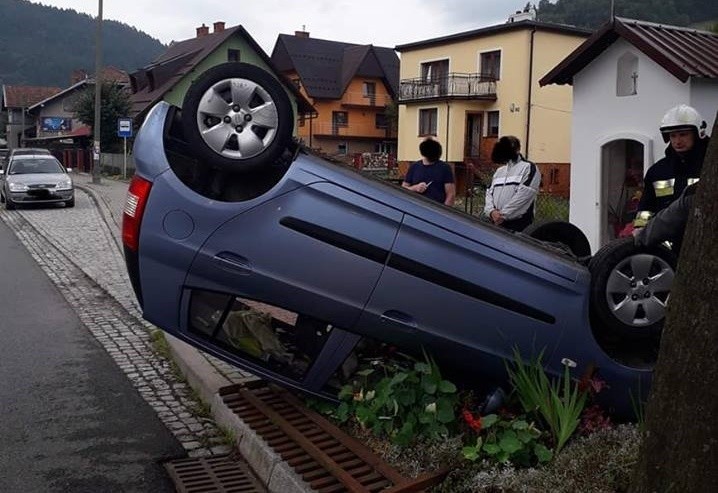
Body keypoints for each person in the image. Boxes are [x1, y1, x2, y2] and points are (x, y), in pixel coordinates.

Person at [633, 104, 709, 228]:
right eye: (673, 136)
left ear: (698, 133)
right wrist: (639, 229)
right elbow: (646, 207)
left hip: (701, 239)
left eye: (683, 134)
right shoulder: (657, 171)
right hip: (665, 243)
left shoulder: (710, 168)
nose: (677, 141)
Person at [483, 135, 541, 232]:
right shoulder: (499, 171)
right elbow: (489, 193)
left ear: (518, 149)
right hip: (496, 223)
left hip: (519, 225)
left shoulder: (528, 168)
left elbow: (524, 195)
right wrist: (491, 212)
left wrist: (503, 215)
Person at [634, 182, 697, 254]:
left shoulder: (701, 177)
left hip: (686, 242)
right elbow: (646, 207)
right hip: (661, 241)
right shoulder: (657, 173)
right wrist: (640, 230)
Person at [402, 138, 455, 206]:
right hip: (415, 209)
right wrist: (415, 188)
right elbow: (403, 190)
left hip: (436, 210)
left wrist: (443, 213)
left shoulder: (445, 168)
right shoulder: (414, 167)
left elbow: (451, 195)